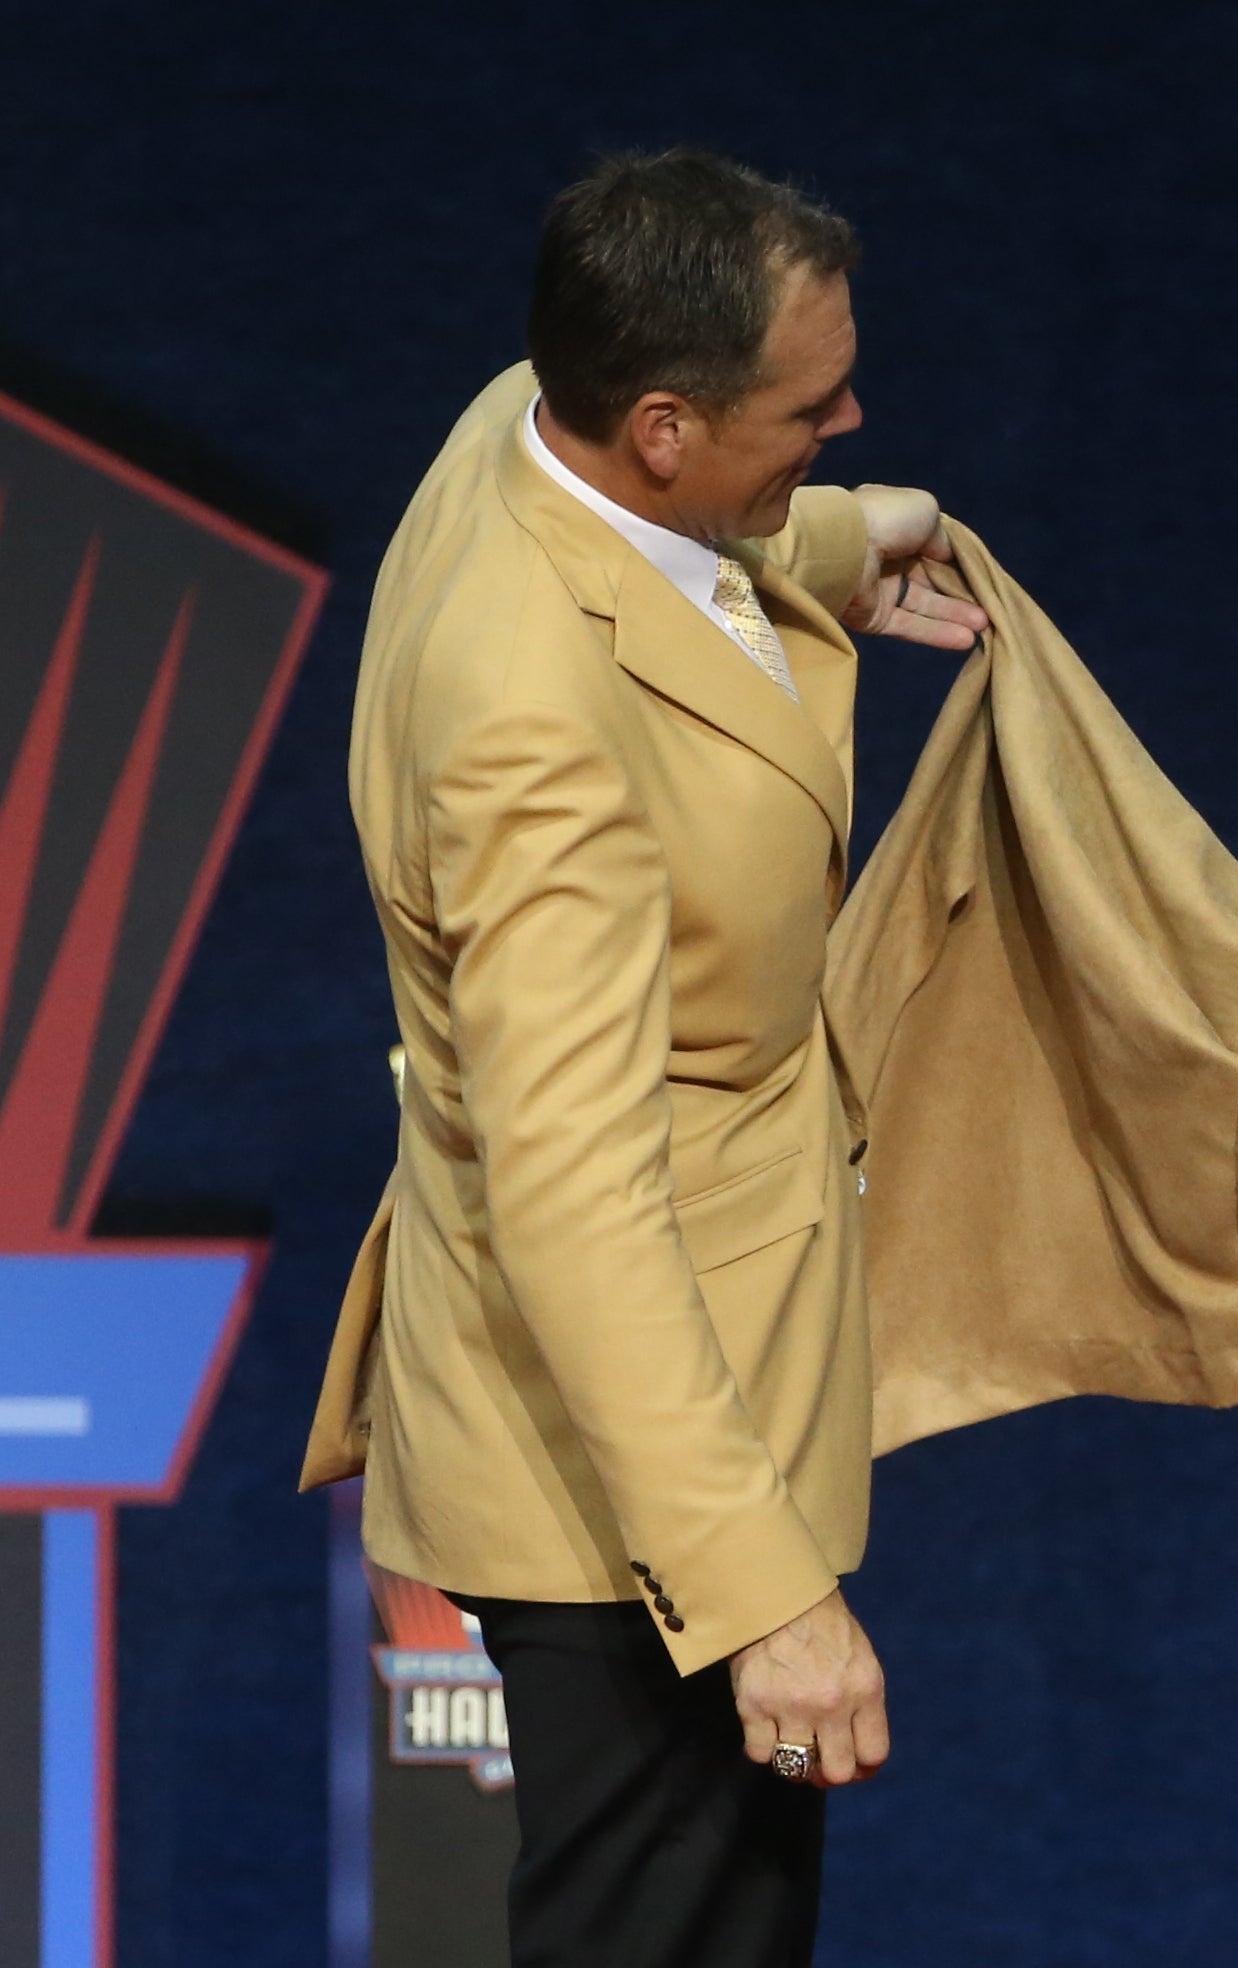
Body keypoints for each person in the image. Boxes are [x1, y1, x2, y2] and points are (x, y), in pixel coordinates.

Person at [299, 149, 987, 1966]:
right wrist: (761, 1600)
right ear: (664, 426)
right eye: (810, 414)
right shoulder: (532, 728)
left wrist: (828, 543)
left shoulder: (522, 419)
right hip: (631, 1482)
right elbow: (575, 1198)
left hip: (675, 1411)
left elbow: (640, 552)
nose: (849, 424)